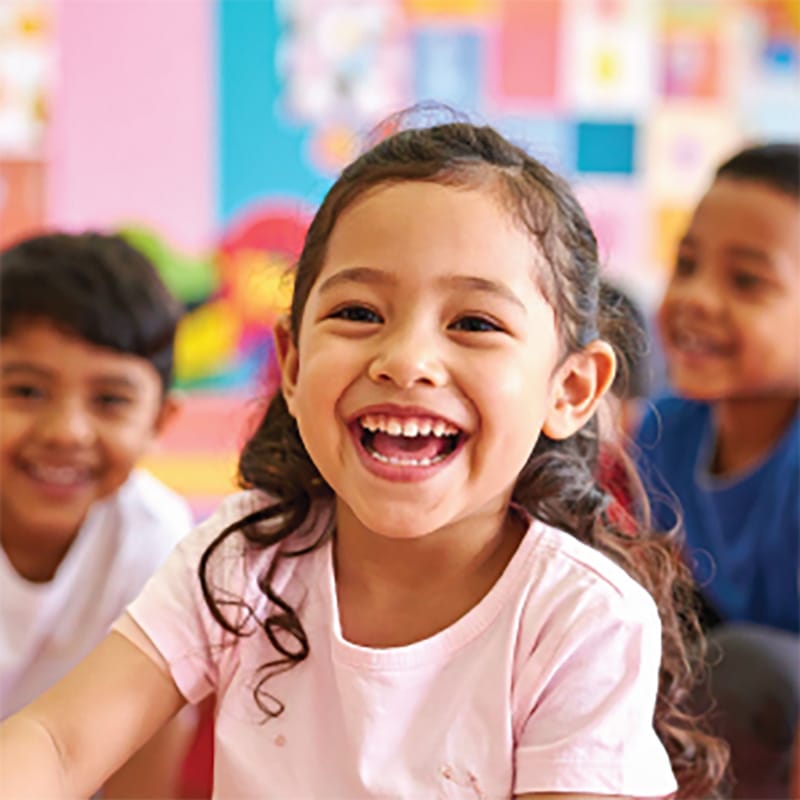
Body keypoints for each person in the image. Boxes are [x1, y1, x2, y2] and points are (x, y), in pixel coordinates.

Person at [0, 120, 727, 799]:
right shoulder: (248, 553)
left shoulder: (580, 616)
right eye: (358, 313)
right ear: (290, 361)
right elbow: (59, 744)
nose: (406, 360)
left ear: (570, 390)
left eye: (474, 323)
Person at [0, 232, 196, 796]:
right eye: (27, 391)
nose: (67, 432)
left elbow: (146, 754)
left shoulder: (156, 540)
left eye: (110, 400)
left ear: (161, 419)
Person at [634, 143, 799, 799]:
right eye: (688, 264)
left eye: (746, 281)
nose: (697, 298)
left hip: (772, 695)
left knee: (741, 671)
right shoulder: (666, 433)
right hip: (750, 716)